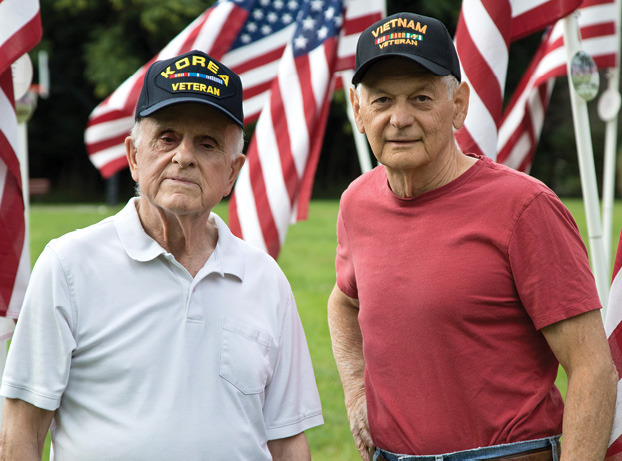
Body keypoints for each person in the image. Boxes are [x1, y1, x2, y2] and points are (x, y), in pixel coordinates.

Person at [0, 50, 323, 460]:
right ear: (134, 156)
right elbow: (21, 430)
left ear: (233, 172)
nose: (183, 156)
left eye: (206, 144)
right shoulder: (69, 266)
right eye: (167, 138)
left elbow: (287, 440)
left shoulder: (265, 279)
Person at [328, 12, 617, 461]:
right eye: (382, 100)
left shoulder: (525, 208)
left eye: (421, 98)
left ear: (458, 105)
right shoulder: (357, 203)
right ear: (358, 110)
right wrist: (355, 393)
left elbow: (592, 369)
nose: (399, 119)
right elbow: (344, 302)